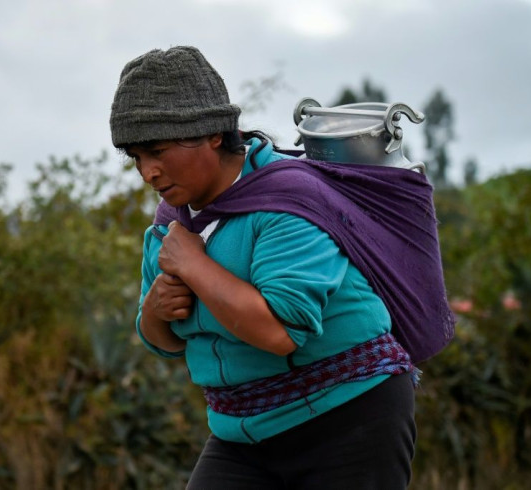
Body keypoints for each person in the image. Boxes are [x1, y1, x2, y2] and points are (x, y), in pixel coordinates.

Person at [109, 46, 452, 489]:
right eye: (136, 157)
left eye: (157, 150)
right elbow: (161, 342)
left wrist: (194, 266)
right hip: (242, 432)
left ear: (213, 133)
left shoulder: (289, 201)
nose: (148, 172)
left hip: (349, 417)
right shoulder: (171, 226)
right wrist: (155, 310)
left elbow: (280, 334)